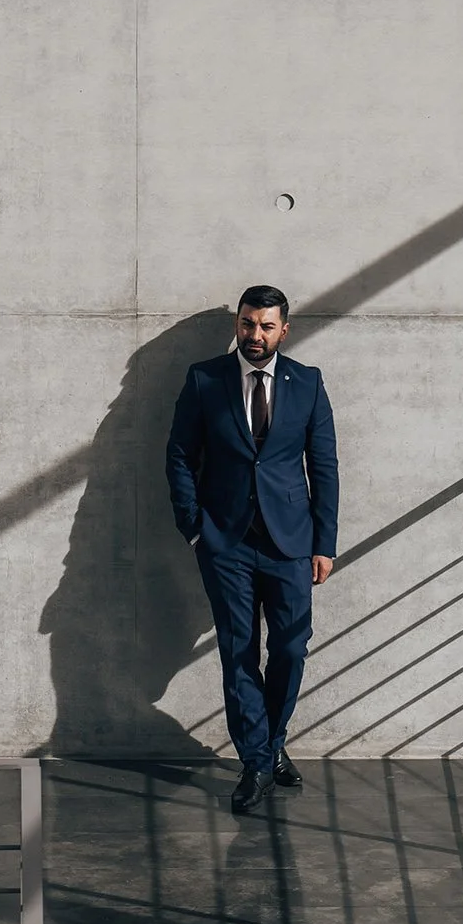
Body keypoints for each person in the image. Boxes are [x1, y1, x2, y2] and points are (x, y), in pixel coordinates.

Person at [164, 287, 339, 814]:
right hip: (226, 542)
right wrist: (195, 529)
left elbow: (324, 468)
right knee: (239, 650)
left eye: (265, 327)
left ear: (284, 330)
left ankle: (272, 740)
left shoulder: (307, 383)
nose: (255, 336)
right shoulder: (205, 379)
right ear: (237, 325)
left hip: (291, 541)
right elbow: (178, 455)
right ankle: (257, 764)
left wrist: (324, 544)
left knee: (289, 647)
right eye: (247, 324)